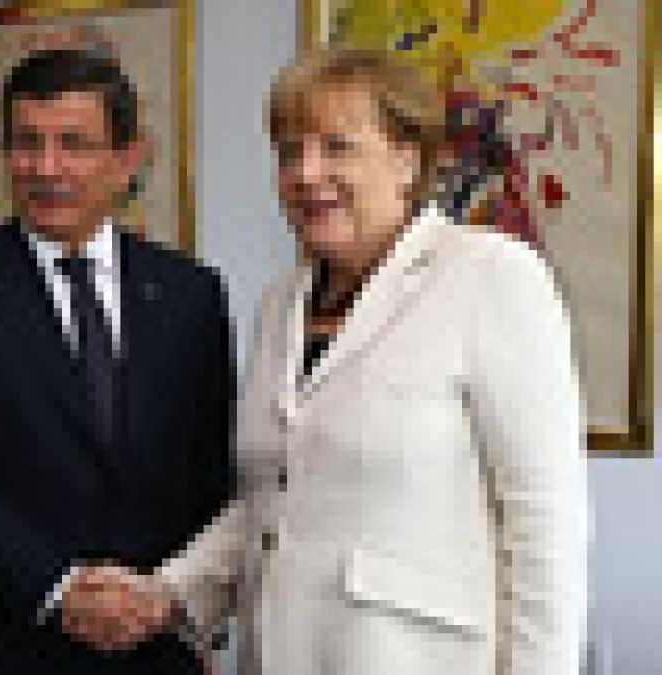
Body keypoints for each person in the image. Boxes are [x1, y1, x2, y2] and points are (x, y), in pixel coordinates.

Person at [71, 47, 589, 674]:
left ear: (407, 161)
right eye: (290, 152)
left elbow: (545, 523)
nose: (306, 173)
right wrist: (165, 592)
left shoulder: (492, 275)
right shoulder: (280, 303)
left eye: (337, 147)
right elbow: (270, 502)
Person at [0, 48, 235, 674]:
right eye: (27, 143)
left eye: (73, 144)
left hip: (154, 638)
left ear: (127, 159)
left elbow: (210, 474)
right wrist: (60, 587)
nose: (46, 168)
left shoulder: (192, 293)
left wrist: (186, 607)